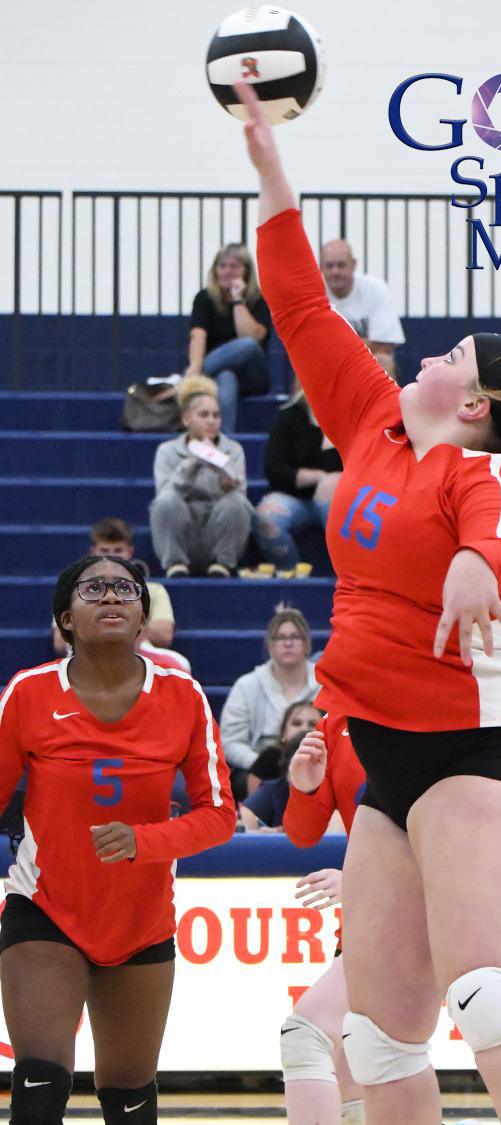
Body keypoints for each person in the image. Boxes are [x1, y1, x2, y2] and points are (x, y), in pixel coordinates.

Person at [235, 81, 501, 1125]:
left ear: (478, 405)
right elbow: (302, 306)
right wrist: (270, 170)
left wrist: (479, 569)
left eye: (451, 356)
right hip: (388, 746)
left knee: (488, 994)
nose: (430, 355)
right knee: (375, 1031)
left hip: (480, 741)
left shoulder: (479, 476)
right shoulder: (371, 424)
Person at [0, 554, 235, 1125]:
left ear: (142, 617)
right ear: (65, 619)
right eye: (93, 589)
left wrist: (144, 842)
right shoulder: (28, 694)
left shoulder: (184, 696)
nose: (110, 597)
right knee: (40, 1084)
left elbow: (220, 815)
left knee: (130, 1098)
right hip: (46, 906)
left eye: (125, 589)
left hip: (141, 918)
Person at [280, 716, 366, 1125]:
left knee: (307, 1034)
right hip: (368, 919)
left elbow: (446, 830)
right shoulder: (336, 724)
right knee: (357, 1069)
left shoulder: (430, 709)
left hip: (417, 909)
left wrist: (362, 880)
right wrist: (305, 786)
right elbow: (302, 834)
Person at [149, 374, 252, 578]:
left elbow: (239, 493)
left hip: (217, 528)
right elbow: (166, 494)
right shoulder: (167, 450)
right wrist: (192, 465)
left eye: (216, 415)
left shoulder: (233, 449)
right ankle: (175, 562)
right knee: (165, 501)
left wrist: (227, 485)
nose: (212, 421)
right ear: (186, 418)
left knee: (238, 502)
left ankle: (222, 563)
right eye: (204, 415)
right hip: (184, 529)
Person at [51, 517, 186, 669]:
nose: (111, 557)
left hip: (142, 656)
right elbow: (60, 642)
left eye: (118, 551)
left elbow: (164, 635)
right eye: (104, 551)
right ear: (93, 551)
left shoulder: (154, 590)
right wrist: (124, 625)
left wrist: (97, 625)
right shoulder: (74, 590)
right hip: (86, 657)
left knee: (179, 664)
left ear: (129, 552)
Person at [220, 606, 318, 801]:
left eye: (295, 637)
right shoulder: (247, 685)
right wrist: (261, 764)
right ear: (269, 646)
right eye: (280, 638)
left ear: (307, 644)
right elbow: (230, 741)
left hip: (315, 760)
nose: (288, 643)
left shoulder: (325, 682)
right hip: (260, 764)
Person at [252, 386, 342, 572]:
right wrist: (318, 476)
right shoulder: (290, 417)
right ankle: (291, 571)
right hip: (292, 496)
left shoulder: (349, 417)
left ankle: (348, 574)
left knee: (331, 486)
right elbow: (273, 468)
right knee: (265, 518)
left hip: (335, 498)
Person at [186, 242, 271, 432]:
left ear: (246, 272)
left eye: (234, 266)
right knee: (226, 377)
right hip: (218, 375)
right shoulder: (204, 298)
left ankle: (190, 380)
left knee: (247, 344)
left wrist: (238, 300)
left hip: (252, 375)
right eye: (222, 266)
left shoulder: (258, 299)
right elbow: (197, 335)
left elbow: (253, 337)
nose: (227, 271)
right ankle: (224, 446)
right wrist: (195, 366)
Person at [320, 239, 404, 378]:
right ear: (321, 267)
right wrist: (364, 342)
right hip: (328, 366)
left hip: (366, 365)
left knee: (384, 361)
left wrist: (334, 346)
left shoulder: (375, 289)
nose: (335, 271)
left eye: (341, 265)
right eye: (329, 266)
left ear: (353, 264)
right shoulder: (314, 293)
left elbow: (383, 347)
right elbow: (309, 347)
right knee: (306, 365)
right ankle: (300, 400)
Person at [245, 699, 323, 798]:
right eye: (296, 723)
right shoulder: (269, 756)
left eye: (312, 724)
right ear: (283, 732)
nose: (304, 729)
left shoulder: (331, 758)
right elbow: (253, 804)